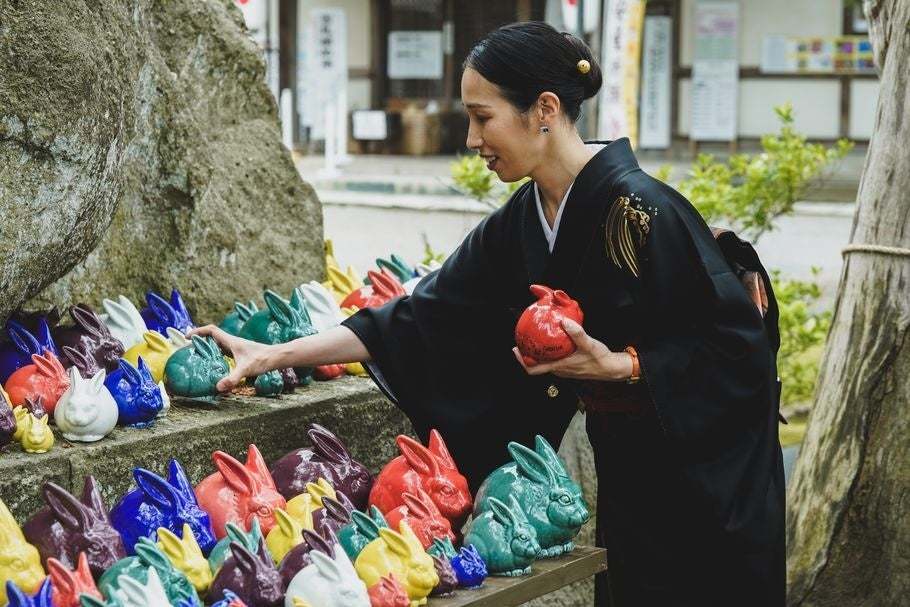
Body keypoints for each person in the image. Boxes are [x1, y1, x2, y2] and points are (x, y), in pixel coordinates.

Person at [192, 21, 785, 607]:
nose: (472, 138)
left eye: (483, 117)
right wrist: (275, 353)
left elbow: (738, 348)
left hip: (712, 473)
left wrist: (623, 366)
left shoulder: (643, 211)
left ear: (544, 109)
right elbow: (418, 317)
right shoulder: (524, 220)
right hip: (629, 464)